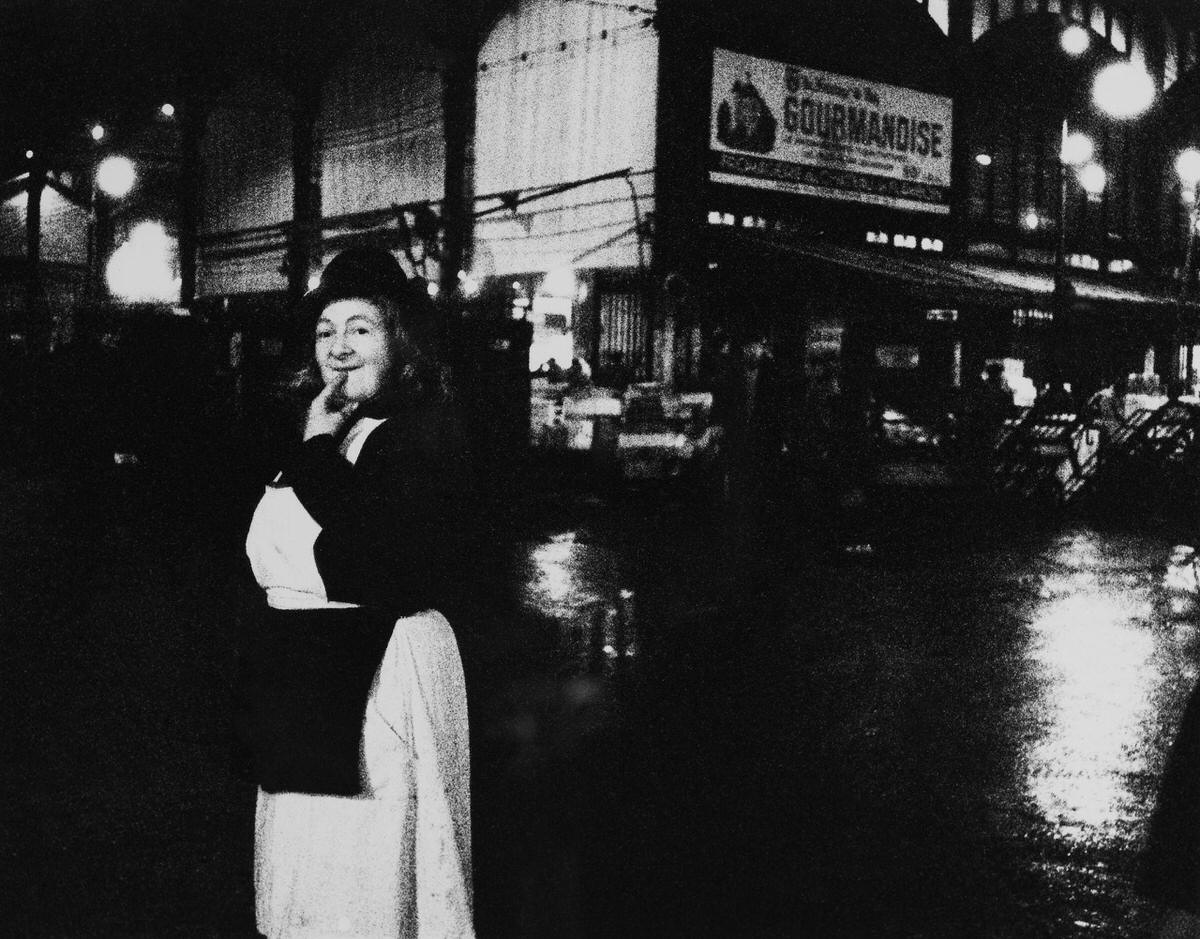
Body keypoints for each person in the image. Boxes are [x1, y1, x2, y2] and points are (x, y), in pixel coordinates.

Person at [237, 246, 476, 938]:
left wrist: (314, 453)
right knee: (308, 876)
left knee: (363, 881)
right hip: (311, 675)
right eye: (325, 331)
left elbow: (376, 563)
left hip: (374, 682)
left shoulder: (416, 436)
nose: (338, 348)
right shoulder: (335, 432)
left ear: (399, 343)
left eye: (360, 328)